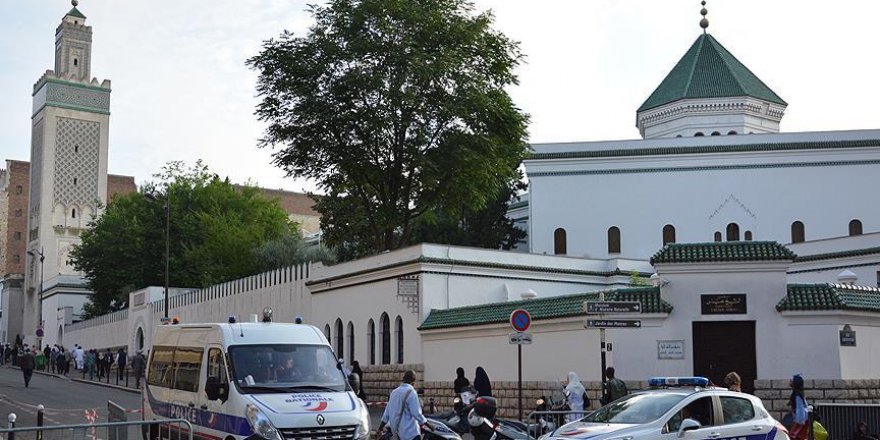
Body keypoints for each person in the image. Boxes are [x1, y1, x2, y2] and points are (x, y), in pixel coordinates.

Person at [375, 370, 427, 440]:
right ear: (414, 381)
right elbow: (416, 413)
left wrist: (380, 429)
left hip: (397, 433)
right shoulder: (411, 393)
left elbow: (386, 414)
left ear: (403, 379)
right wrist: (428, 424)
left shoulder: (394, 393)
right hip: (410, 434)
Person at [787, 374, 809, 440]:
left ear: (795, 383)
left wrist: (799, 422)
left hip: (801, 420)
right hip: (803, 419)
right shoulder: (798, 393)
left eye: (791, 380)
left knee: (794, 436)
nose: (790, 381)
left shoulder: (797, 395)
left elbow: (800, 409)